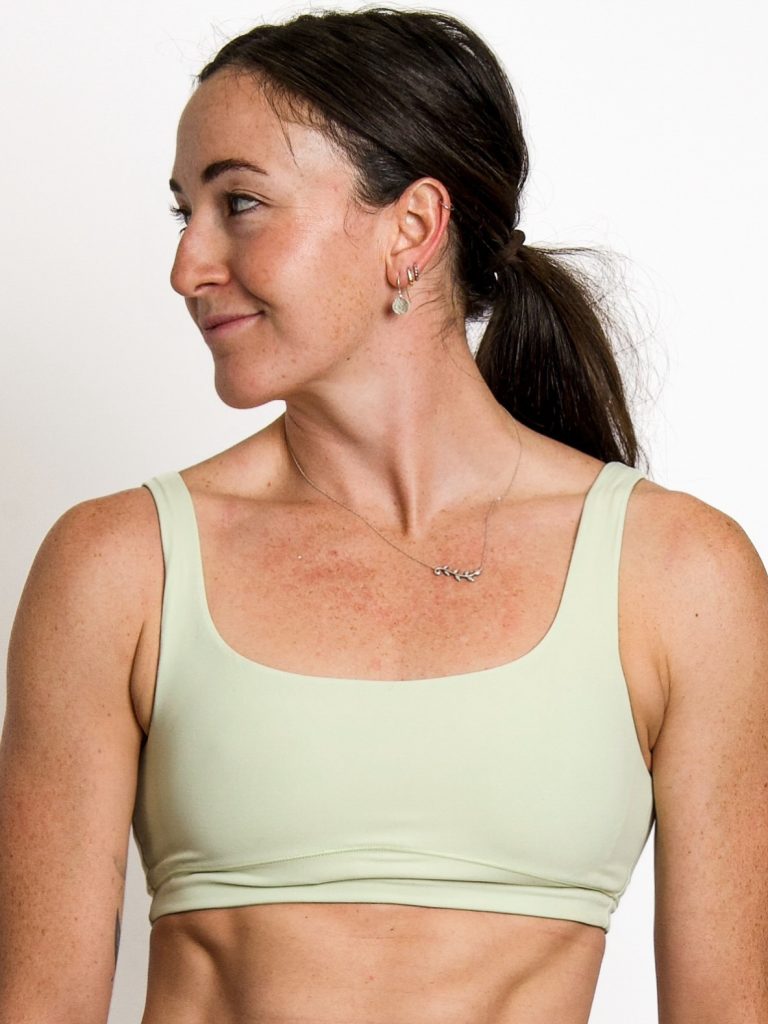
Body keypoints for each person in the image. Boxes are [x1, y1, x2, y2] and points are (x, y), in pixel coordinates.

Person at [1, 7, 766, 1024]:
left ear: (411, 229)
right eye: (185, 212)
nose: (187, 266)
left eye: (239, 203)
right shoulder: (120, 565)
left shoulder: (677, 575)